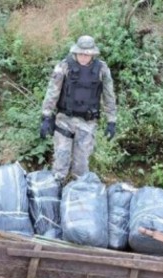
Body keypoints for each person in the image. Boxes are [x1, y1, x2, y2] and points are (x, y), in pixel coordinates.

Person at [39, 35, 117, 181]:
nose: (83, 57)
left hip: (87, 123)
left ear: (92, 54)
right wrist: (46, 116)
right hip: (64, 120)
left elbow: (109, 95)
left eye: (87, 54)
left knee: (81, 168)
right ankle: (54, 195)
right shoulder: (64, 66)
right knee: (60, 163)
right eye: (80, 53)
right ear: (75, 52)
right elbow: (52, 91)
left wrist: (111, 120)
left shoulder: (102, 69)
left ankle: (78, 198)